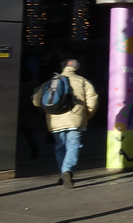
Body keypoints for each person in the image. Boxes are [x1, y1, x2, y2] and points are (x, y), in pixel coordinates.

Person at [34, 58, 99, 188]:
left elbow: (36, 100)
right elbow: (92, 101)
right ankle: (67, 170)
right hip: (76, 118)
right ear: (77, 67)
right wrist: (86, 115)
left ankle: (63, 173)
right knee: (73, 145)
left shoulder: (52, 80)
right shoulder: (83, 81)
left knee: (60, 146)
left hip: (54, 119)